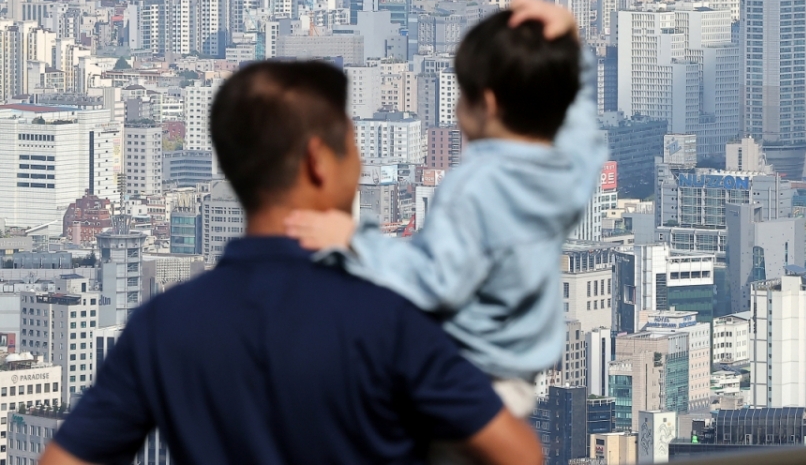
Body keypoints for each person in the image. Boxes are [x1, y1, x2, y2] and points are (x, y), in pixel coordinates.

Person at [41, 60, 542, 465]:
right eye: (354, 146)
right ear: (317, 160)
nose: (361, 164)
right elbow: (516, 454)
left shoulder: (163, 325)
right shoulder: (389, 315)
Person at [286, 0, 608, 417]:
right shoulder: (568, 169)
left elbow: (436, 280)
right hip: (522, 372)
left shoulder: (474, 187)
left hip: (470, 376)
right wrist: (572, 44)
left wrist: (354, 240)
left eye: (463, 95)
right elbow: (581, 122)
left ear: (487, 105)